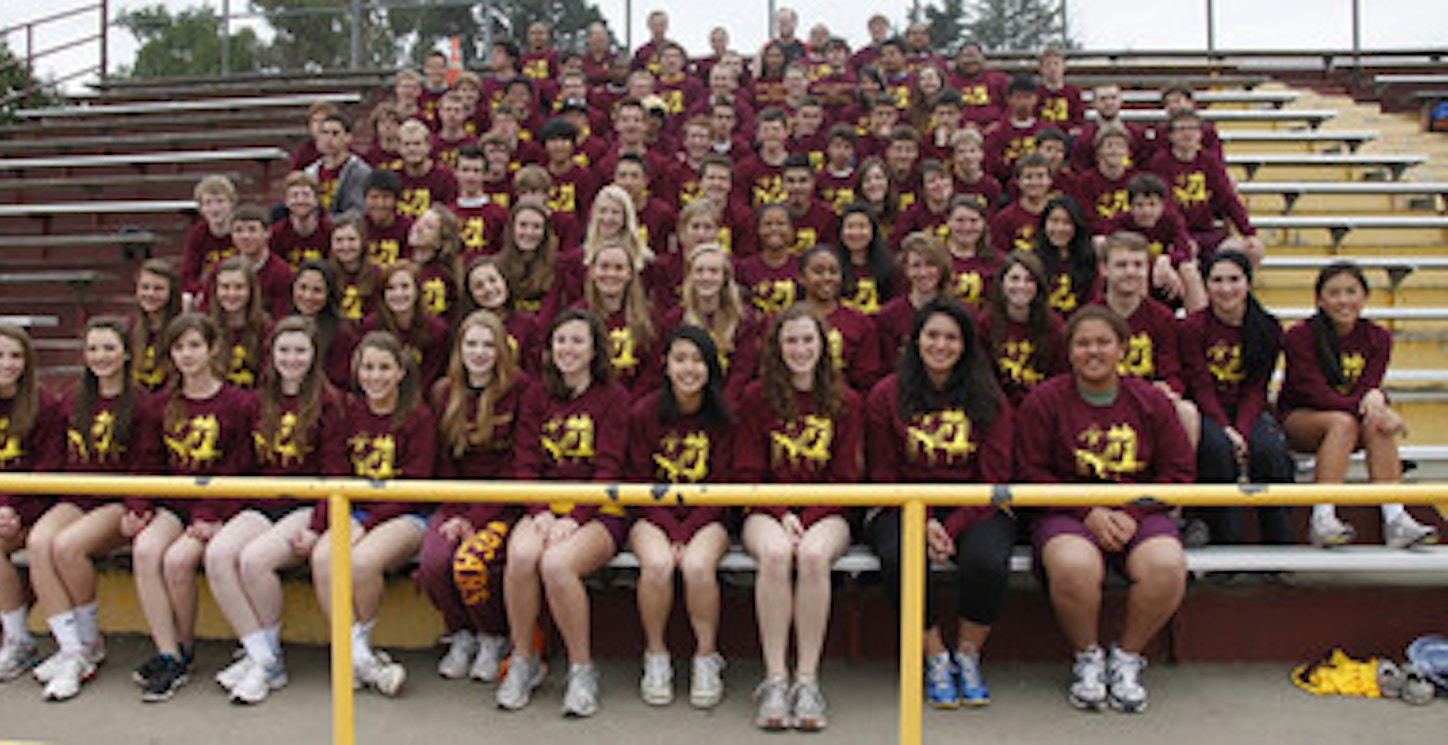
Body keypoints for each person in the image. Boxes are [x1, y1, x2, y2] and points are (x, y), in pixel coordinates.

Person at [1016, 305, 1193, 714]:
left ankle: (1127, 657)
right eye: (1083, 343)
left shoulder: (1151, 401)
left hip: (1139, 511)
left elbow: (1180, 472)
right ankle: (1088, 656)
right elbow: (1030, 471)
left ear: (1122, 349)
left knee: (1166, 566)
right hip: (1066, 509)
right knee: (1075, 567)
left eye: (1103, 342)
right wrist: (1087, 512)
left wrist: (1132, 512)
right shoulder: (1045, 401)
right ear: (1069, 350)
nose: (1092, 352)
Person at [866, 297, 1015, 709]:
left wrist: (950, 526)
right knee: (901, 557)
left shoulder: (990, 397)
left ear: (966, 345)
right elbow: (883, 473)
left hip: (975, 503)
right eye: (932, 335)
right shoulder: (886, 395)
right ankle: (934, 655)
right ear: (916, 341)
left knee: (985, 559)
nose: (941, 345)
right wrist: (925, 519)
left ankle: (968, 656)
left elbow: (994, 475)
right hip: (902, 502)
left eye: (951, 337)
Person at [734, 303, 863, 732]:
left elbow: (846, 478)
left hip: (828, 511)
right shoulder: (756, 398)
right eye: (791, 340)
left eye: (808, 339)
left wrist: (806, 516)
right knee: (774, 555)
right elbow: (748, 472)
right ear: (777, 346)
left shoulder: (845, 401)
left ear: (823, 346)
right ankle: (775, 679)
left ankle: (807, 680)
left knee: (811, 557)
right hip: (765, 507)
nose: (800, 348)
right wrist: (781, 513)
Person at [497, 309, 630, 717]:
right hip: (544, 508)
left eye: (577, 341)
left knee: (556, 565)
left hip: (598, 511)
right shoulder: (536, 394)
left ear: (594, 350)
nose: (567, 349)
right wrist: (540, 512)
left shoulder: (614, 398)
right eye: (561, 341)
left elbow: (610, 466)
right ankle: (524, 659)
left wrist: (574, 516)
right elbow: (525, 462)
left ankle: (581, 669)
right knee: (521, 556)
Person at [205, 316, 344, 704]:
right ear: (271, 353)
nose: (292, 358)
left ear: (314, 354)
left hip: (303, 504)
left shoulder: (329, 402)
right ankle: (261, 656)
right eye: (284, 350)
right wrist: (217, 514)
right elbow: (239, 465)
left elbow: (335, 474)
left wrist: (318, 526)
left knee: (253, 561)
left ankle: (267, 662)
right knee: (218, 555)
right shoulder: (256, 400)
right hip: (261, 502)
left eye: (300, 350)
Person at [125, 313, 257, 702]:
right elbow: (145, 461)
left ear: (213, 348)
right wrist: (138, 505)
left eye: (195, 345)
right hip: (173, 503)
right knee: (146, 550)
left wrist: (210, 514)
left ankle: (184, 650)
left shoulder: (237, 402)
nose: (187, 355)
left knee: (178, 561)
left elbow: (240, 467)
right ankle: (169, 653)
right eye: (179, 347)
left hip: (215, 509)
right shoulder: (159, 405)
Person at [306, 331, 438, 697]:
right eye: (368, 367)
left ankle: (353, 654)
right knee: (322, 558)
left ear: (400, 372)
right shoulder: (346, 412)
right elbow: (334, 472)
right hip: (353, 508)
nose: (375, 376)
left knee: (362, 562)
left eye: (384, 368)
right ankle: (359, 658)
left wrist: (368, 523)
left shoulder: (418, 416)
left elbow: (416, 484)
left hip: (406, 513)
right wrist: (322, 525)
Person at [23, 318, 146, 700]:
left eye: (109, 348)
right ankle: (72, 648)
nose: (100, 356)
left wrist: (136, 506)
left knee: (67, 548)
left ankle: (89, 643)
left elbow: (146, 462)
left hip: (115, 498)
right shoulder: (72, 399)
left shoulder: (142, 402)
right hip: (75, 495)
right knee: (39, 542)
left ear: (126, 352)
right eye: (93, 349)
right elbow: (55, 458)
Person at [1280, 262, 1439, 549]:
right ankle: (1322, 518)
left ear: (1364, 297)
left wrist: (1377, 401)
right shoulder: (1299, 336)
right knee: (1347, 421)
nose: (1343, 300)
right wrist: (1376, 405)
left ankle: (1396, 518)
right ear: (1319, 299)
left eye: (1351, 292)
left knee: (1372, 422)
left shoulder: (1378, 337)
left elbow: (1370, 384)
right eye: (1334, 293)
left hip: (1351, 421)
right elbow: (1314, 392)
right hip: (1302, 420)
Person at [626, 326, 736, 708]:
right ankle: (656, 656)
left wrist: (687, 532)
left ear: (710, 367)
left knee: (697, 567)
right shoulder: (643, 412)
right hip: (652, 515)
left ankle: (706, 657)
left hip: (707, 517)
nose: (689, 368)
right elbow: (638, 480)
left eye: (698, 360)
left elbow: (723, 486)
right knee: (656, 565)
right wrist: (670, 529)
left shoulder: (723, 418)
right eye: (680, 359)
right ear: (666, 365)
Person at [423, 311, 528, 683]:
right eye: (471, 344)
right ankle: (462, 633)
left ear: (501, 349)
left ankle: (492, 637)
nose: (479, 352)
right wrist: (455, 512)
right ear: (459, 348)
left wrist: (478, 517)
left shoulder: (519, 389)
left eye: (488, 344)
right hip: (456, 503)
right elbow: (444, 463)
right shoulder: (442, 392)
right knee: (434, 561)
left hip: (502, 505)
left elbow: (516, 463)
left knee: (472, 563)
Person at [1181, 252, 1294, 545]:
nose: (1226, 288)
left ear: (1248, 283)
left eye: (1234, 279)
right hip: (1207, 408)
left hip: (1247, 408)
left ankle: (1279, 544)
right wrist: (1226, 428)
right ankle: (1225, 541)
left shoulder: (1267, 327)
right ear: (1206, 285)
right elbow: (1200, 384)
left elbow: (1257, 387)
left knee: (1269, 449)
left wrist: (1241, 430)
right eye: (1217, 280)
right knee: (1217, 448)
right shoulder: (1192, 327)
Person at [0, 325, 66, 683]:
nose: (7, 364)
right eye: (0, 355)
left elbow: (47, 472)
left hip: (34, 511)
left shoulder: (45, 407)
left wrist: (11, 509)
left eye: (15, 356)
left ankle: (19, 641)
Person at [658, 243, 762, 405]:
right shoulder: (674, 320)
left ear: (725, 277)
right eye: (699, 271)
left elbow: (742, 371)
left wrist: (721, 406)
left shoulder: (744, 319)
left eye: (713, 271)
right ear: (690, 276)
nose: (706, 277)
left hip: (729, 403)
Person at [981, 252, 1067, 408]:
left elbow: (1060, 377)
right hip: (998, 406)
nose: (1021, 286)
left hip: (1042, 406)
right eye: (1014, 279)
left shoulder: (1054, 326)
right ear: (1002, 283)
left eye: (1029, 280)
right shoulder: (986, 323)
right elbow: (984, 378)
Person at [798, 245, 884, 394]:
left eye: (834, 271)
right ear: (801, 277)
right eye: (818, 271)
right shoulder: (785, 322)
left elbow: (866, 381)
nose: (827, 278)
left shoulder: (861, 323)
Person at [877, 232, 954, 362]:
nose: (923, 273)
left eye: (930, 264)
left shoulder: (961, 312)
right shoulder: (888, 316)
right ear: (906, 270)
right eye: (916, 266)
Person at [204, 256, 271, 390]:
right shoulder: (205, 328)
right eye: (225, 287)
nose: (231, 294)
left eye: (239, 287)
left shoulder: (267, 329)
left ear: (251, 290)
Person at [1034, 196, 1099, 318]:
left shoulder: (1088, 259)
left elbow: (1092, 302)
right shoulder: (1032, 260)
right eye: (1054, 221)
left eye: (1067, 222)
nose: (1059, 228)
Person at [131, 259, 183, 391]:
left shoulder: (183, 328)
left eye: (158, 289)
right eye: (145, 287)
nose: (150, 294)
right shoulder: (130, 328)